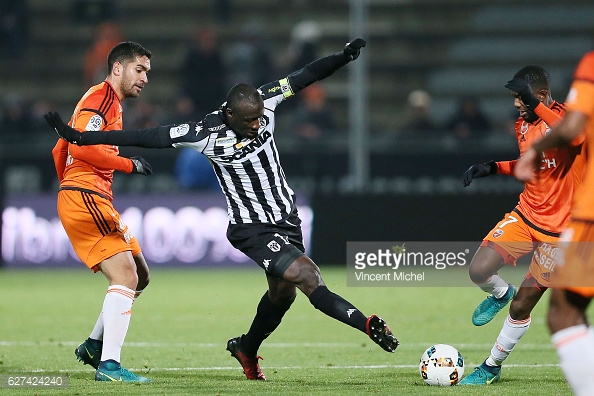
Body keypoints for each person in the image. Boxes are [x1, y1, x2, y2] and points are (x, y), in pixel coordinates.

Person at [45, 38, 399, 381]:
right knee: (307, 277)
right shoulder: (205, 131)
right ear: (231, 115)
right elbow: (149, 136)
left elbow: (306, 75)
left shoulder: (266, 100)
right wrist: (81, 139)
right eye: (248, 122)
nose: (257, 126)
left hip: (286, 220)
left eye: (260, 119)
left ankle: (246, 349)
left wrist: (342, 57)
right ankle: (366, 324)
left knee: (282, 295)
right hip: (252, 229)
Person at [459, 65, 585, 385]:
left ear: (540, 95)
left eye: (521, 98)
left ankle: (491, 366)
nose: (517, 105)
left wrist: (535, 103)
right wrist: (493, 167)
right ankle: (499, 293)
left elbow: (577, 136)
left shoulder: (568, 117)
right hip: (526, 216)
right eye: (516, 98)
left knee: (522, 305)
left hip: (559, 235)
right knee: (478, 270)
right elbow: (532, 164)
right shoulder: (524, 125)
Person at [50, 41, 153, 383]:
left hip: (90, 195)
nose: (145, 78)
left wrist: (68, 182)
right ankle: (109, 365)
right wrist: (128, 165)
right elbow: (81, 146)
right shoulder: (102, 99)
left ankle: (94, 345)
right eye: (139, 70)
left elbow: (60, 147)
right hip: (86, 195)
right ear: (118, 68)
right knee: (124, 276)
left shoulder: (107, 102)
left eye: (147, 72)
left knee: (140, 273)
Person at [514, 52, 594, 396]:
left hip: (582, 215)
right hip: (539, 218)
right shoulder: (522, 124)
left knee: (563, 312)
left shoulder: (590, 64)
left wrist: (535, 151)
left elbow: (573, 132)